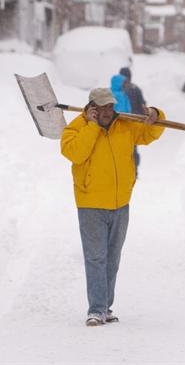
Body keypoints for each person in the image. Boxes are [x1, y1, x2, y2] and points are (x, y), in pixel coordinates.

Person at [61, 88, 165, 327]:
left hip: (120, 203)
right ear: (92, 108)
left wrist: (155, 114)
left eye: (111, 106)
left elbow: (150, 134)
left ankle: (105, 307)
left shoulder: (125, 125)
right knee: (96, 258)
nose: (108, 111)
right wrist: (92, 126)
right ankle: (96, 309)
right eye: (103, 107)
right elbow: (76, 154)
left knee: (112, 259)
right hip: (91, 204)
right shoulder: (75, 129)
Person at [119, 67, 147, 175]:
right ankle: (134, 171)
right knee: (133, 148)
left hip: (120, 124)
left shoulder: (116, 90)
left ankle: (123, 171)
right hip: (134, 124)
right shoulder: (135, 89)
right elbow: (143, 106)